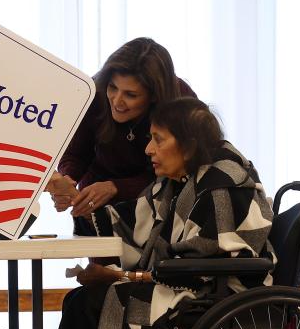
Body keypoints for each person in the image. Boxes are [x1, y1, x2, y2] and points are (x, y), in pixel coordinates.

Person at [40, 98, 275, 329]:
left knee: (105, 299)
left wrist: (121, 275)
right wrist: (79, 202)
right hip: (189, 282)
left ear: (188, 142)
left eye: (157, 139)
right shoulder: (184, 179)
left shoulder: (219, 184)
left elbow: (210, 261)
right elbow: (136, 221)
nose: (148, 149)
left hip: (220, 291)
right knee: (83, 299)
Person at [46, 38, 196, 230]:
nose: (116, 101)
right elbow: (75, 154)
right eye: (113, 88)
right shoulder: (95, 93)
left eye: (130, 95)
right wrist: (67, 184)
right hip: (97, 203)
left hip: (161, 206)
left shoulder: (181, 103)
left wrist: (116, 187)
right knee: (102, 262)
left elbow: (182, 172)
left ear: (155, 95)